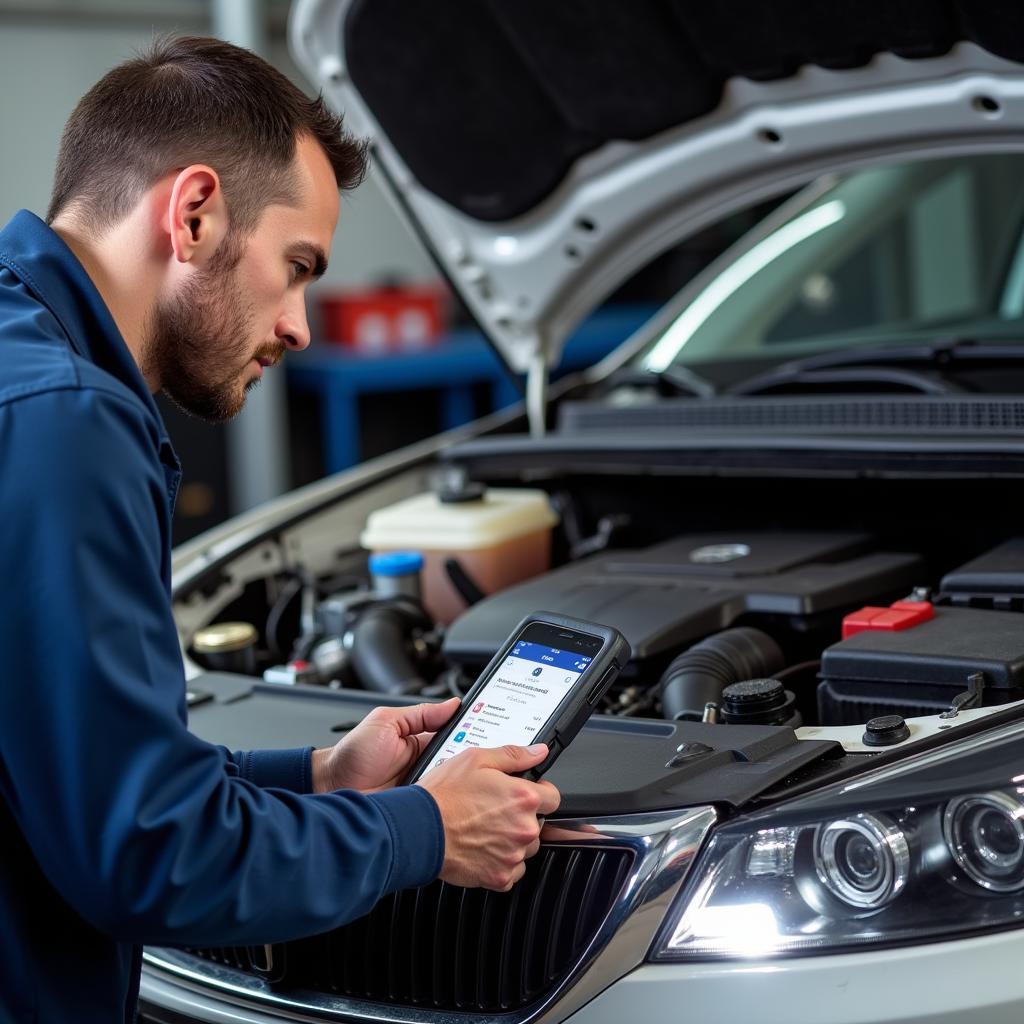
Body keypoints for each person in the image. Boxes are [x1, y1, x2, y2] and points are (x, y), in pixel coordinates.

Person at [0, 36, 560, 1024]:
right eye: (296, 267)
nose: (302, 324)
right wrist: (423, 829)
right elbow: (149, 855)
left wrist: (314, 775)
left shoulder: (23, 369)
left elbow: (53, 758)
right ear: (196, 212)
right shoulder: (66, 420)